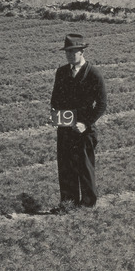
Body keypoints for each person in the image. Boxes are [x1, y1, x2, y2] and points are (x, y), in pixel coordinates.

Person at [50, 33, 107, 210]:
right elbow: (55, 99)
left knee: (85, 166)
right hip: (66, 127)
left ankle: (88, 204)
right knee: (66, 165)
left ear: (82, 52)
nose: (70, 55)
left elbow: (102, 104)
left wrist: (85, 123)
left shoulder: (93, 74)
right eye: (67, 52)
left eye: (74, 52)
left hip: (84, 129)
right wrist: (56, 116)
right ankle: (69, 203)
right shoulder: (61, 72)